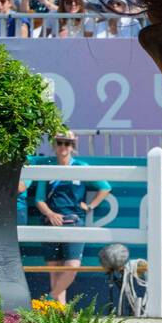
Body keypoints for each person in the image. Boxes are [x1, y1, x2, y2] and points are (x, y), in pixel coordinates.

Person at [34, 129, 111, 304]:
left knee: (72, 266)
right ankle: (59, 312)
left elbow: (105, 187)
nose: (63, 147)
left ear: (72, 146)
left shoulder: (81, 167)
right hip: (51, 222)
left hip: (74, 222)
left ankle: (49, 299)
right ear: (55, 145)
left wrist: (90, 206)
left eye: (67, 143)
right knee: (54, 268)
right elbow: (39, 199)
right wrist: (50, 214)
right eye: (60, 143)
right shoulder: (47, 168)